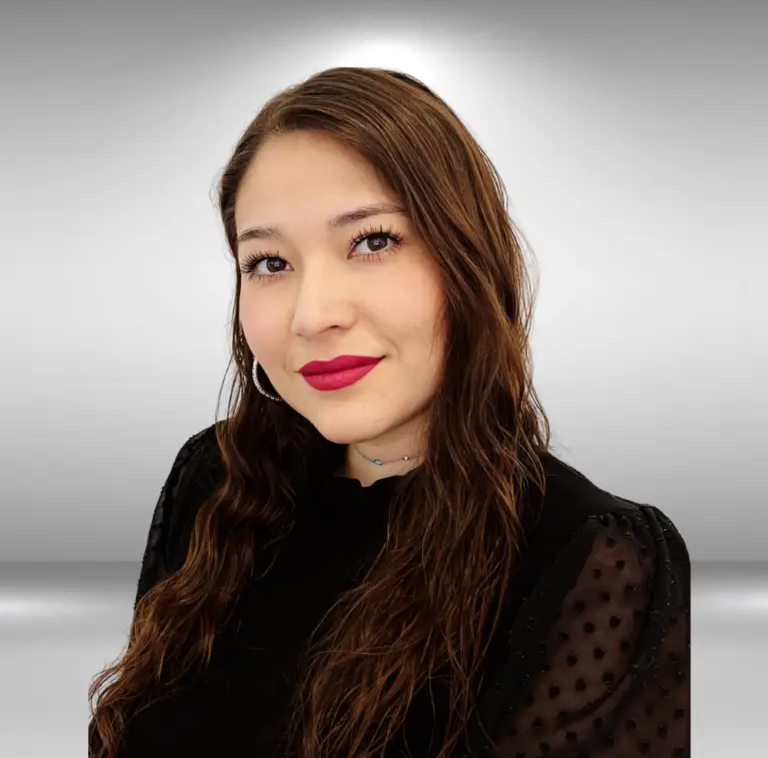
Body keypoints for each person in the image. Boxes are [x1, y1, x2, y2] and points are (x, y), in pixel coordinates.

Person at [88, 67, 690, 758]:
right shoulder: (216, 482)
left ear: (469, 261)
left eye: (372, 242)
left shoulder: (598, 560)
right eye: (268, 263)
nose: (313, 316)